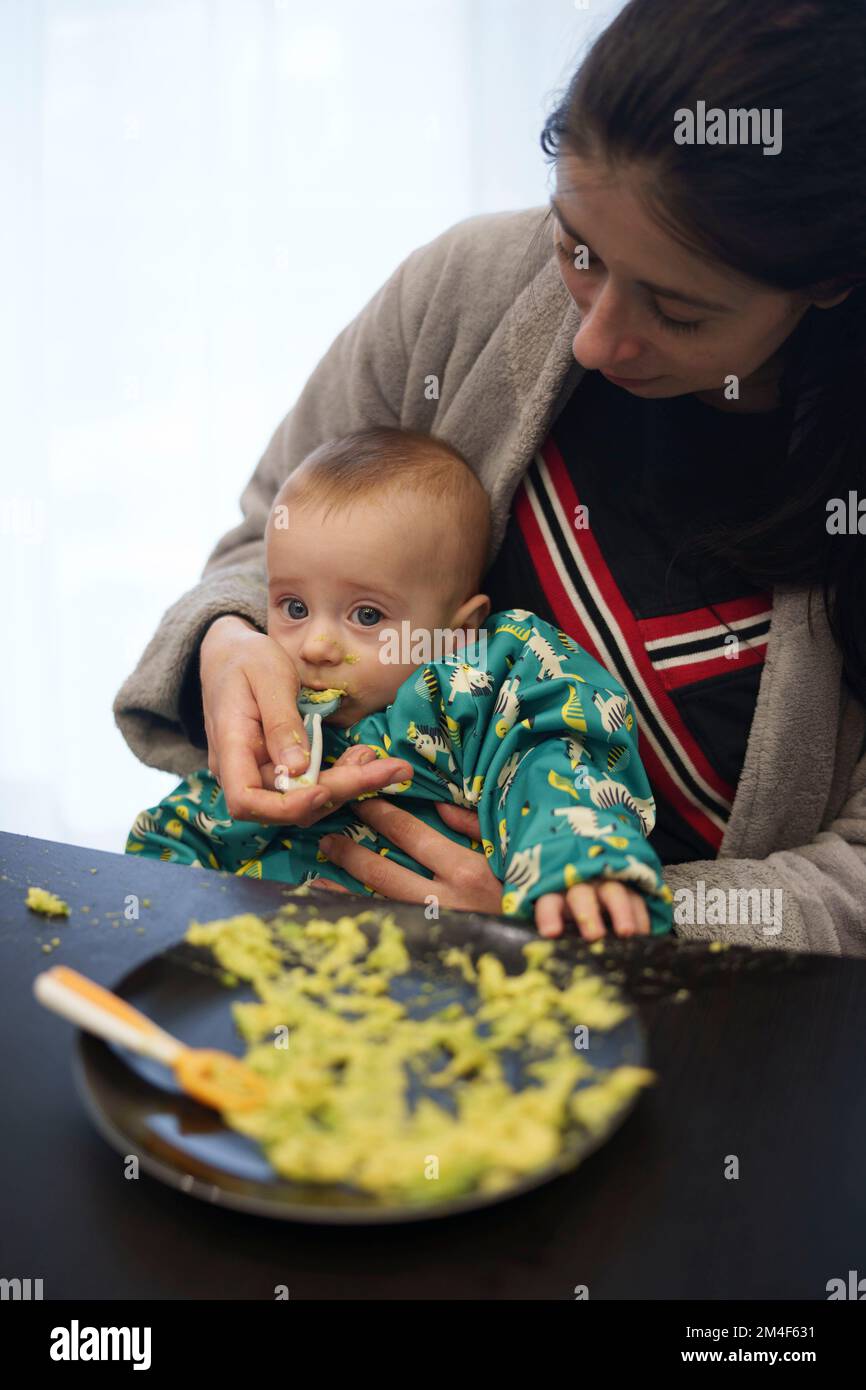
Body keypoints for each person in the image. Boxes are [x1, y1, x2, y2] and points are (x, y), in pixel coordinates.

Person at [114, 0, 866, 954]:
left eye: (676, 312)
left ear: (831, 277)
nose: (593, 339)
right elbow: (263, 541)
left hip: (705, 1024)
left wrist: (588, 912)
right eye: (577, 252)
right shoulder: (460, 292)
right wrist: (228, 643)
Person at [124, 427, 673, 939]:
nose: (314, 646)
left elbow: (552, 758)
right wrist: (256, 805)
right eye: (293, 606)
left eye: (366, 616)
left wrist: (575, 862)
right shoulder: (273, 723)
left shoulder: (480, 685)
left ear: (457, 632)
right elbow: (172, 838)